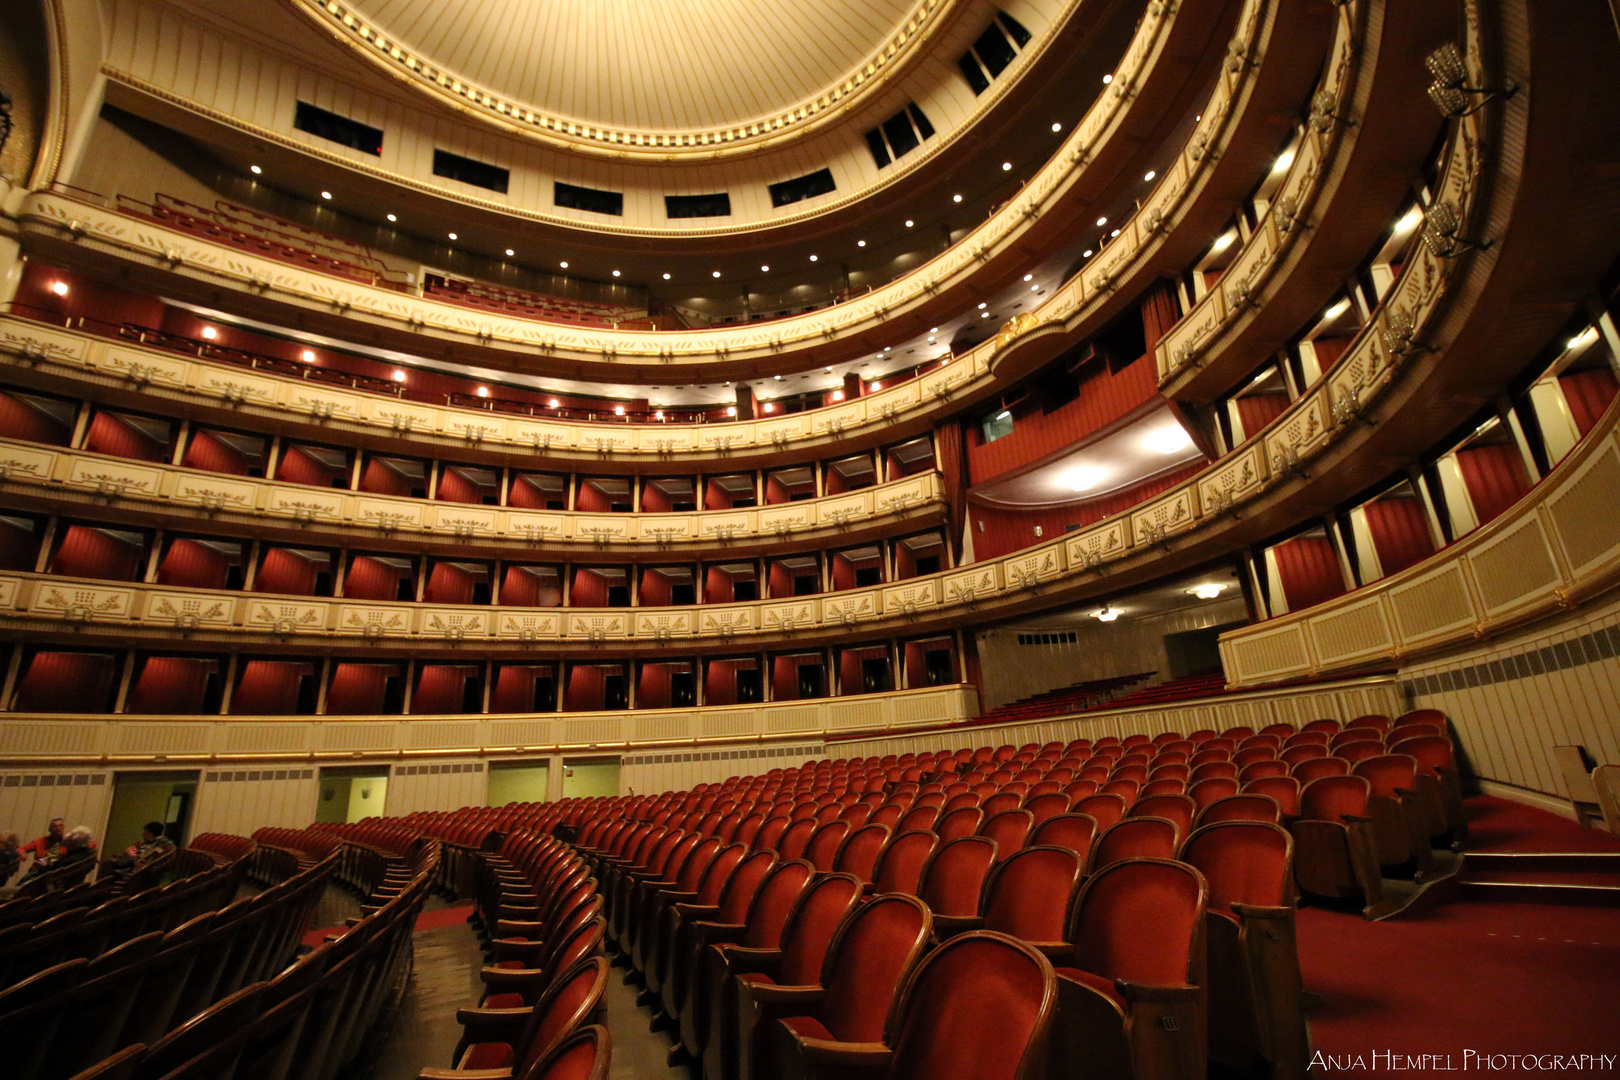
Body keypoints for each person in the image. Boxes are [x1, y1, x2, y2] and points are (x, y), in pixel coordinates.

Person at [106, 821, 176, 876]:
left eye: (145, 831)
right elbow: (129, 854)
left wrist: (146, 866)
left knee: (111, 868)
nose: (143, 834)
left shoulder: (165, 846)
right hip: (132, 864)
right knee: (109, 864)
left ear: (150, 833)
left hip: (144, 871)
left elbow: (164, 863)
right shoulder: (141, 843)